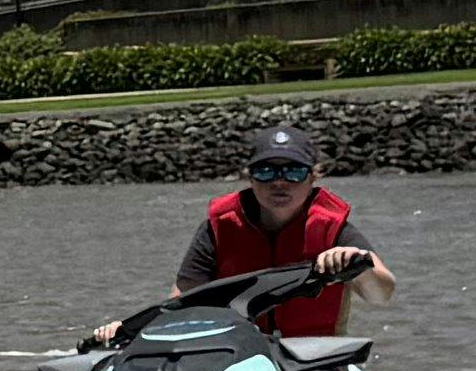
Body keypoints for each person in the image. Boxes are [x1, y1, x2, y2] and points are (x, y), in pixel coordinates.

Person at [98, 123, 392, 347]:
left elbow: (382, 294)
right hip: (239, 359)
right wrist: (127, 329)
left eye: (293, 172)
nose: (280, 183)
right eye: (266, 172)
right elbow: (180, 305)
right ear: (249, 177)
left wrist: (357, 264)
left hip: (317, 361)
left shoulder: (335, 229)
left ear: (313, 176)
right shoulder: (219, 229)